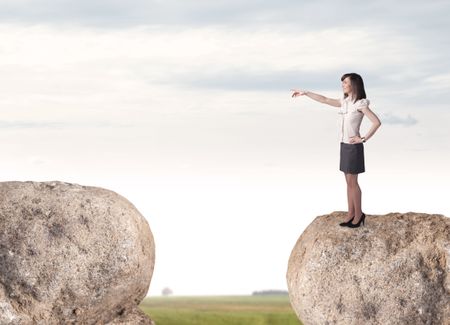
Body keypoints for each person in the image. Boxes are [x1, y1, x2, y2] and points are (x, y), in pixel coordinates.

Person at [291, 73, 381, 228]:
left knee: (353, 182)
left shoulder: (360, 104)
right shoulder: (344, 102)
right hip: (344, 145)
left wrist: (363, 138)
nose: (342, 85)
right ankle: (351, 213)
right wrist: (306, 93)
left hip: (354, 147)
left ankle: (359, 215)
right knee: (348, 182)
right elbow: (324, 100)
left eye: (345, 82)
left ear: (354, 84)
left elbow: (376, 122)